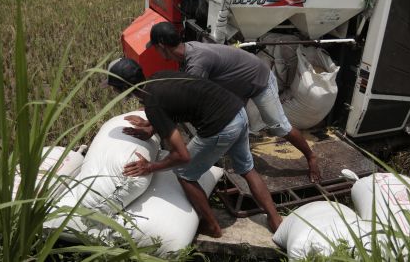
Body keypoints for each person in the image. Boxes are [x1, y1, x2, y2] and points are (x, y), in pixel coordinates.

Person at [105, 58, 282, 237]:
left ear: (123, 88)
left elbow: (182, 156)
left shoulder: (152, 103)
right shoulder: (158, 78)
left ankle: (212, 226)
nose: (113, 92)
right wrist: (152, 126)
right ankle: (275, 219)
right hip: (238, 112)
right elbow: (178, 105)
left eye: (114, 88)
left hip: (222, 126)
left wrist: (150, 167)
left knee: (184, 173)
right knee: (247, 168)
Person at [146, 21, 322, 183]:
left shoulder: (196, 63)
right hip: (237, 84)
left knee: (278, 125)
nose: (155, 51)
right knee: (230, 121)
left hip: (258, 80)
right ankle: (234, 157)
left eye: (154, 47)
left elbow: (184, 102)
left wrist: (154, 124)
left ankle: (311, 156)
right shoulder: (188, 51)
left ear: (161, 45)